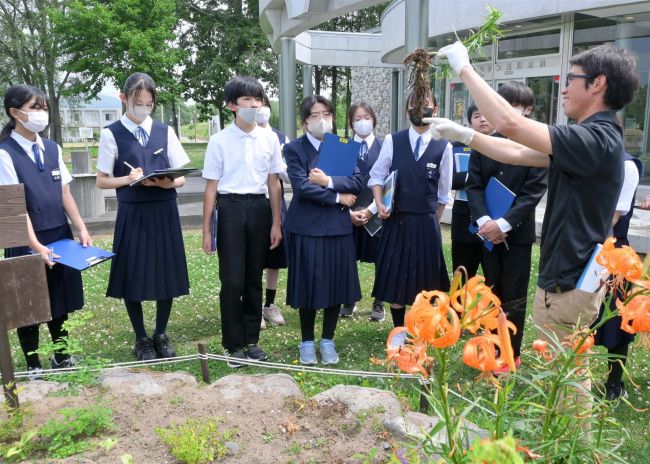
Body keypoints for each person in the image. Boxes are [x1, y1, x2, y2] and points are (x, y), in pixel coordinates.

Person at [431, 42, 639, 416]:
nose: (563, 88)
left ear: (597, 84)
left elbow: (510, 124)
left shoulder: (593, 139)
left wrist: (465, 68)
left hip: (569, 284)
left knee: (565, 390)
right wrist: (466, 136)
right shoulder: (591, 139)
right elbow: (514, 150)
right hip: (570, 279)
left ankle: (567, 452)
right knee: (563, 382)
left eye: (571, 79)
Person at [96, 72, 190, 361]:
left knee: (166, 272)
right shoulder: (111, 133)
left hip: (164, 210)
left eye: (149, 103)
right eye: (138, 102)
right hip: (133, 211)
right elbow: (102, 180)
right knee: (132, 274)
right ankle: (141, 338)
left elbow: (183, 176)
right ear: (124, 99)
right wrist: (127, 179)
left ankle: (161, 333)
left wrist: (168, 182)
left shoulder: (165, 130)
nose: (144, 108)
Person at [0, 84, 91, 377]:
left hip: (58, 233)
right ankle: (33, 365)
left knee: (59, 300)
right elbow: (16, 208)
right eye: (34, 108)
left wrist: (80, 227)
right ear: (15, 113)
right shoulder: (5, 154)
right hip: (25, 238)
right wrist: (36, 247)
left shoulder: (51, 148)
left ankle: (62, 357)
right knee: (29, 304)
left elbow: (64, 193)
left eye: (44, 108)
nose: (41, 114)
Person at [465, 82, 547, 372]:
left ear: (528, 110)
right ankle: (491, 346)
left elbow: (533, 192)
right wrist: (486, 221)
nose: (511, 111)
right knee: (491, 290)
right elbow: (473, 186)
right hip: (487, 234)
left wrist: (504, 223)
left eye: (518, 106)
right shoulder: (484, 142)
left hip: (517, 235)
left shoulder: (538, 145)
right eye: (505, 104)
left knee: (514, 294)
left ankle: (511, 352)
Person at [202, 76, 283, 368]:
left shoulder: (269, 138)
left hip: (259, 209)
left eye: (257, 99)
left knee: (252, 279)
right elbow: (211, 187)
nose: (253, 105)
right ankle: (233, 345)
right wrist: (206, 231)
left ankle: (252, 340)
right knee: (232, 280)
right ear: (232, 105)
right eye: (246, 100)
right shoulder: (219, 141)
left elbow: (274, 183)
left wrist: (276, 222)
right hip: (231, 208)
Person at [283, 95, 363, 365]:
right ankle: (307, 341)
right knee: (308, 285)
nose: (322, 120)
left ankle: (327, 339)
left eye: (326, 114)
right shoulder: (294, 149)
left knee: (336, 285)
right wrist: (337, 197)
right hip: (307, 227)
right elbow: (302, 187)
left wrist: (328, 181)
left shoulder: (343, 146)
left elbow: (357, 180)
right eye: (315, 115)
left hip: (338, 228)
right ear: (304, 121)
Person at [369, 91, 452, 340]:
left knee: (425, 280)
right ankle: (399, 331)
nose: (420, 109)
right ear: (407, 112)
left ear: (435, 111)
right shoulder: (393, 141)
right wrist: (378, 203)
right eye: (415, 105)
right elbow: (376, 176)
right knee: (396, 278)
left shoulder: (443, 146)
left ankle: (420, 330)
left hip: (426, 223)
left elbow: (443, 195)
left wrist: (432, 223)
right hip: (397, 220)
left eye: (426, 106)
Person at [594, 151, 641, 400]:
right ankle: (571, 378)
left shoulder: (627, 165)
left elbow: (611, 220)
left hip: (614, 251)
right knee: (576, 318)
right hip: (583, 247)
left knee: (617, 323)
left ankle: (614, 382)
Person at [340, 101, 386, 322]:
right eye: (357, 119)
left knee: (381, 257)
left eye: (366, 117)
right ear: (350, 123)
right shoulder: (343, 147)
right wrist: (348, 210)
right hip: (347, 213)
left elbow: (389, 182)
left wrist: (370, 210)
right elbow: (336, 181)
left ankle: (379, 301)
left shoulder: (385, 146)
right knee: (347, 257)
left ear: (374, 119)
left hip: (376, 212)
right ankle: (349, 298)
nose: (362, 122)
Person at [256, 94, 289, 329]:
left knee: (274, 258)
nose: (260, 110)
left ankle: (269, 304)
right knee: (253, 258)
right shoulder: (241, 135)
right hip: (252, 202)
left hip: (275, 202)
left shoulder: (280, 138)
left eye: (264, 105)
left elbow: (287, 174)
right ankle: (253, 306)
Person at [450, 103, 493, 278]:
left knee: (495, 278)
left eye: (486, 115)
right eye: (476, 116)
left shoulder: (506, 146)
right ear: (470, 122)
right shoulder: (456, 146)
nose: (482, 119)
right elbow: (450, 179)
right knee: (462, 277)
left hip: (494, 219)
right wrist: (476, 177)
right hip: (463, 220)